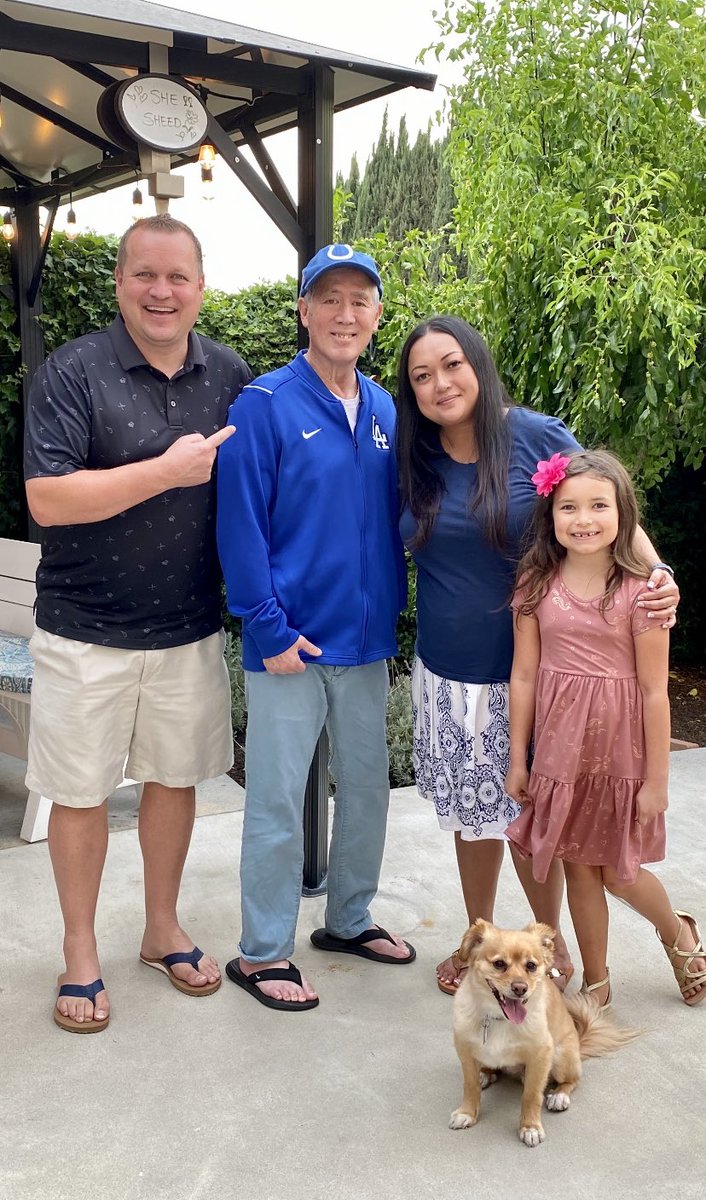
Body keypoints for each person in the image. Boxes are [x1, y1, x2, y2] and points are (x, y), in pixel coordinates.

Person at [395, 316, 680, 996]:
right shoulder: (414, 454)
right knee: (474, 821)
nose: (440, 384)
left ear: (478, 364)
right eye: (422, 376)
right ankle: (482, 944)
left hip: (537, 678)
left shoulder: (535, 436)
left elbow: (603, 507)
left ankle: (547, 951)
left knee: (532, 822)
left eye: (452, 364)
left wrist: (659, 575)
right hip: (448, 675)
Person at [24, 213, 251, 1033]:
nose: (162, 291)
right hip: (84, 629)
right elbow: (48, 499)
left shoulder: (230, 374)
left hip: (187, 627)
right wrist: (165, 471)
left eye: (177, 276)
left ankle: (161, 930)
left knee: (174, 779)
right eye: (145, 275)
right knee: (80, 794)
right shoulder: (72, 372)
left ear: (201, 287)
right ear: (120, 282)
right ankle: (80, 952)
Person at [216, 243, 414, 1012]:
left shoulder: (388, 409)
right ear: (304, 311)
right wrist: (266, 628)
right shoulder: (264, 403)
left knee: (367, 791)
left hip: (366, 645)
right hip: (288, 646)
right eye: (329, 298)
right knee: (274, 802)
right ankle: (263, 952)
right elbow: (240, 525)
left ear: (376, 316)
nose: (344, 313)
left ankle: (349, 920)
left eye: (359, 300)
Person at [505, 449, 705, 1007]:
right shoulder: (536, 583)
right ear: (550, 515)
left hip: (622, 756)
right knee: (578, 870)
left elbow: (654, 691)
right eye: (568, 507)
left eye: (599, 505)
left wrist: (657, 781)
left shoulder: (643, 592)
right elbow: (524, 675)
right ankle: (597, 983)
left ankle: (678, 934)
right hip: (560, 757)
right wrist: (519, 759)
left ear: (624, 514)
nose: (584, 519)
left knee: (619, 873)